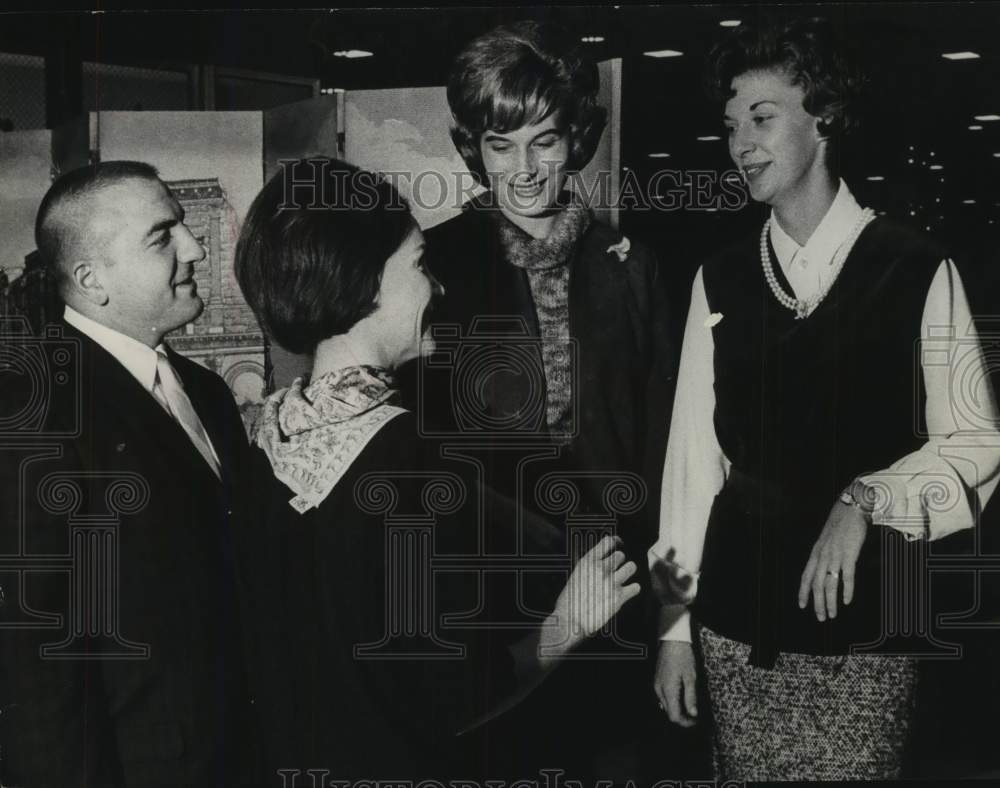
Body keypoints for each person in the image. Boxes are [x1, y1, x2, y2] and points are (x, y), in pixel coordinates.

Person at [648, 17, 1000, 781]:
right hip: (737, 627)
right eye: (731, 124)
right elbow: (691, 468)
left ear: (825, 117)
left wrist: (867, 497)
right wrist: (674, 625)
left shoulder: (916, 269)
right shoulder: (721, 279)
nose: (741, 142)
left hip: (869, 631)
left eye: (763, 118)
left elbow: (978, 442)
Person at [232, 157, 642, 785]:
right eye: (419, 265)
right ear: (364, 280)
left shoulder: (263, 436)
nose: (438, 287)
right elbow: (460, 695)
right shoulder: (409, 459)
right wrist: (570, 621)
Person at [399, 20, 674, 778]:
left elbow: (663, 441)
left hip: (619, 585)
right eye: (500, 144)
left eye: (544, 141)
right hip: (490, 605)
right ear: (471, 148)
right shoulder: (434, 264)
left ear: (577, 139)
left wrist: (671, 613)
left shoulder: (631, 266)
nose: (523, 169)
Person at [0, 161, 256, 786]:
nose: (194, 248)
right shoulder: (35, 414)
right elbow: (34, 665)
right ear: (91, 280)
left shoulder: (207, 392)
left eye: (185, 227)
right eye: (161, 235)